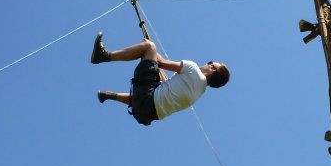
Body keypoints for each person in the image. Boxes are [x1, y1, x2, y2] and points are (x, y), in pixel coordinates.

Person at [90, 32, 230, 126]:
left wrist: (150, 48)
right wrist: (153, 57)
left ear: (212, 69)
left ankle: (103, 56)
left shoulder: (192, 68)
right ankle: (109, 96)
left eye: (211, 62)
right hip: (145, 116)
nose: (207, 63)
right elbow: (164, 85)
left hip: (147, 99)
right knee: (153, 90)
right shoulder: (199, 92)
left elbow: (161, 63)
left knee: (149, 47)